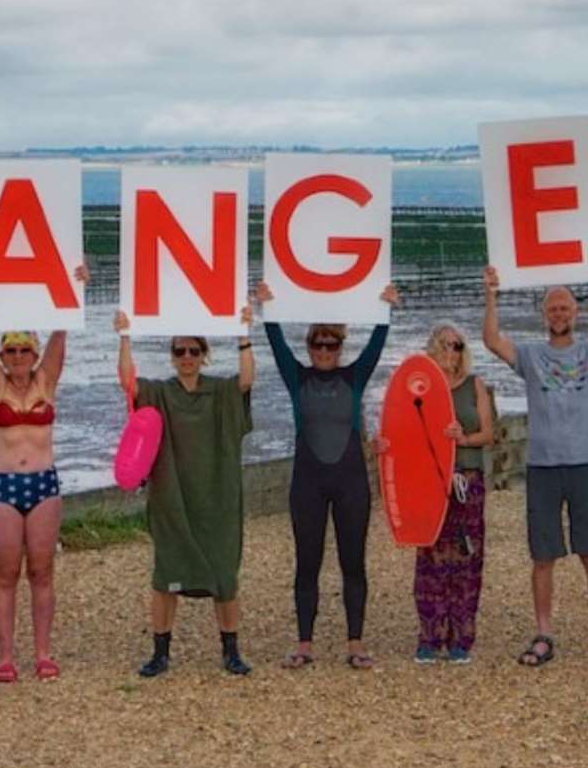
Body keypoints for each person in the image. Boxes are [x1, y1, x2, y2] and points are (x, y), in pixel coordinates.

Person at [482, 257, 588, 669]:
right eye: (553, 308)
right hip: (542, 466)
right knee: (543, 556)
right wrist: (492, 294)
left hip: (584, 463)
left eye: (565, 307)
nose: (559, 314)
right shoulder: (531, 356)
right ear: (544, 315)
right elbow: (492, 339)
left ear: (576, 313)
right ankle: (544, 632)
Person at [256, 282, 398, 670]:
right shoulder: (296, 378)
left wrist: (386, 308)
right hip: (308, 485)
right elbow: (276, 344)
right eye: (317, 345)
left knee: (353, 562)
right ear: (309, 348)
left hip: (351, 483)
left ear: (339, 348)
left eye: (330, 345)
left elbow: (376, 345)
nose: (323, 351)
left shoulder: (354, 377)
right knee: (308, 562)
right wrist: (266, 307)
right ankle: (304, 643)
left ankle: (355, 642)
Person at [115, 305, 256, 677]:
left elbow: (246, 380)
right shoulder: (161, 393)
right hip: (173, 500)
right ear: (172, 357)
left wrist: (244, 333)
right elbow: (129, 382)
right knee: (167, 575)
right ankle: (160, 653)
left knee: (225, 576)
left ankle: (231, 650)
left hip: (218, 498)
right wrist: (125, 336)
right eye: (180, 351)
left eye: (194, 351)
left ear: (204, 354)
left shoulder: (221, 392)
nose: (187, 358)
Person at [0, 266, 88, 684]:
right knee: (4, 572)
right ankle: (4, 655)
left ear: (34, 355)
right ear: (3, 357)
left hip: (43, 484)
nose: (18, 358)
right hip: (3, 484)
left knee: (42, 571)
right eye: (11, 352)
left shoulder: (47, 382)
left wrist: (76, 284)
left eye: (24, 351)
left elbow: (62, 330)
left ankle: (41, 651)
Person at [413, 321, 495, 664]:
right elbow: (408, 430)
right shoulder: (421, 387)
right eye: (446, 344)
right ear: (433, 347)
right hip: (432, 479)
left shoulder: (475, 385)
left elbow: (489, 433)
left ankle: (462, 636)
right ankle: (430, 635)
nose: (452, 352)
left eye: (458, 345)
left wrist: (463, 439)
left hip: (467, 479)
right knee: (430, 555)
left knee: (465, 555)